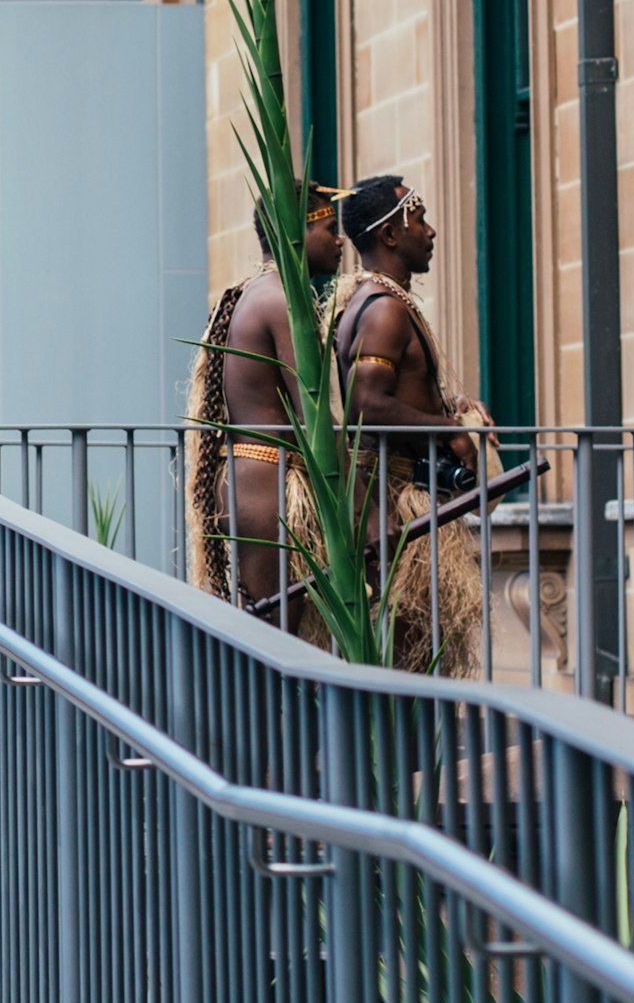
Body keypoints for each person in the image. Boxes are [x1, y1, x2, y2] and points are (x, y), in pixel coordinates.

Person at [329, 175, 496, 672]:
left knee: (421, 655)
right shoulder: (385, 311)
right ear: (389, 235)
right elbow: (367, 406)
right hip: (401, 503)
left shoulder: (374, 302)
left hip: (402, 501)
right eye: (418, 219)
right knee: (417, 656)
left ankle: (417, 748)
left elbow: (392, 395)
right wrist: (450, 432)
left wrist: (451, 408)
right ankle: (412, 751)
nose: (431, 231)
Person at [186, 184, 345, 618]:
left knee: (271, 626)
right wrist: (359, 503)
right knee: (274, 633)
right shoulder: (279, 300)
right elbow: (312, 413)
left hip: (255, 480)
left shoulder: (255, 292)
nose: (340, 240)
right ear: (296, 233)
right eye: (330, 228)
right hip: (266, 487)